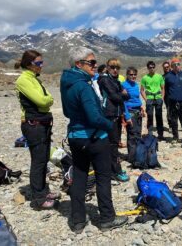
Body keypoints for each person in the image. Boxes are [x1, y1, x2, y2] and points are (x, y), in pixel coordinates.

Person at [60, 47, 128, 233]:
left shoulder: (67, 82)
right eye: (91, 62)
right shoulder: (83, 85)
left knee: (80, 175)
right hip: (95, 138)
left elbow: (67, 111)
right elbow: (93, 117)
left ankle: (77, 220)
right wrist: (108, 125)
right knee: (103, 177)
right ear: (78, 64)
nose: (95, 65)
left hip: (75, 137)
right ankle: (107, 218)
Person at [15, 50, 60, 210]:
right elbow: (43, 100)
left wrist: (47, 101)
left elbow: (48, 98)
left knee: (43, 160)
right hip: (34, 126)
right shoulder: (23, 80)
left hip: (42, 124)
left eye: (42, 63)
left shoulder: (34, 79)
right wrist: (47, 101)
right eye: (39, 63)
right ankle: (39, 199)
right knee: (38, 162)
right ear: (29, 64)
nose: (41, 66)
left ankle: (42, 190)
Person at [98, 59, 130, 182]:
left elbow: (127, 96)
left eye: (117, 68)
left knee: (113, 143)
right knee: (113, 145)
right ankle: (116, 171)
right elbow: (116, 97)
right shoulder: (105, 80)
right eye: (112, 67)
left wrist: (122, 94)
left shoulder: (115, 80)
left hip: (115, 115)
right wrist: (122, 94)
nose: (115, 70)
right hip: (109, 115)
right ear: (107, 67)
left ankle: (112, 170)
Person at [164, 58, 182, 146]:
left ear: (180, 65)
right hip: (172, 101)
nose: (176, 66)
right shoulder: (168, 76)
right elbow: (166, 89)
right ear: (171, 66)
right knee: (173, 120)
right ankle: (175, 137)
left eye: (178, 64)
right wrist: (172, 97)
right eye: (174, 65)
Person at [121, 67, 145, 164]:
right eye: (131, 74)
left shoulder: (136, 85)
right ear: (127, 75)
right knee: (132, 135)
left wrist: (142, 107)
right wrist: (127, 116)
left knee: (138, 134)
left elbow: (137, 98)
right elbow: (122, 102)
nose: (133, 76)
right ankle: (132, 157)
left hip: (138, 111)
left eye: (135, 74)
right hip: (130, 112)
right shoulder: (123, 86)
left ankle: (138, 155)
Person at [141, 61, 165, 140]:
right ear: (148, 68)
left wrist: (162, 98)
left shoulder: (159, 77)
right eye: (150, 67)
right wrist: (146, 99)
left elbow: (162, 88)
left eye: (153, 67)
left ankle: (160, 135)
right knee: (150, 116)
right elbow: (141, 90)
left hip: (158, 98)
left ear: (155, 67)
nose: (152, 69)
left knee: (159, 116)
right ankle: (150, 134)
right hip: (149, 99)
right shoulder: (144, 78)